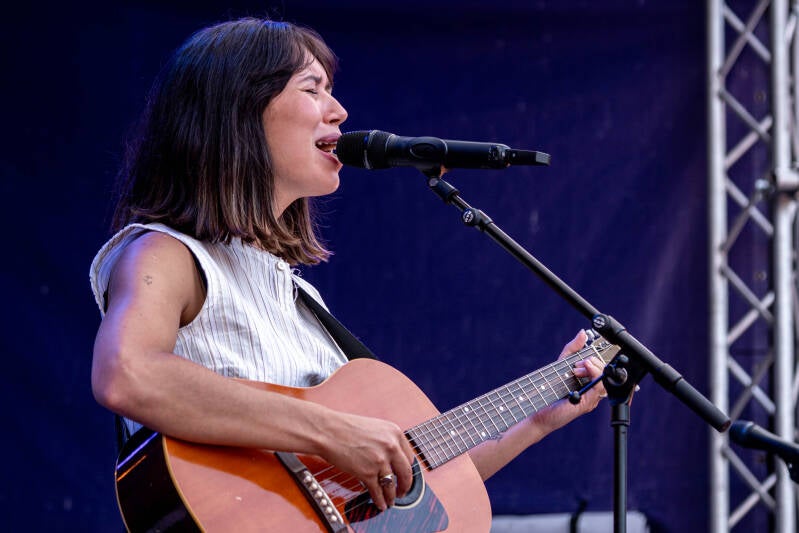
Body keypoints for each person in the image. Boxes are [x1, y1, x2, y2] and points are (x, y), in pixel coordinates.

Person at [89, 17, 606, 519]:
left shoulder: (298, 300)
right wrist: (332, 431)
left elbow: (410, 476)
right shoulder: (165, 254)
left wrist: (537, 421)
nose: (339, 110)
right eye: (312, 89)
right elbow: (127, 373)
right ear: (237, 110)